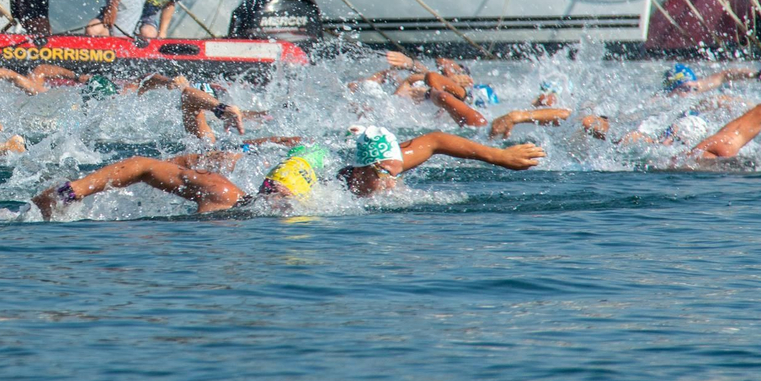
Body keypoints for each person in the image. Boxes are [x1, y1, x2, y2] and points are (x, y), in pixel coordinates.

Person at [31, 125, 544, 219]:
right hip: (248, 213)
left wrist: (501, 157)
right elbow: (141, 165)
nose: (393, 180)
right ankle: (63, 193)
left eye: (395, 170)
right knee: (204, 184)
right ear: (362, 171)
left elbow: (435, 141)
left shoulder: (381, 166)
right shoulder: (243, 197)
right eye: (384, 174)